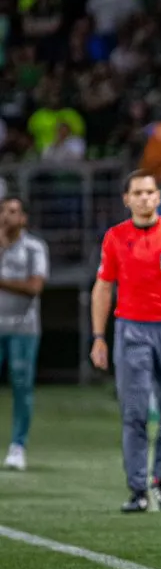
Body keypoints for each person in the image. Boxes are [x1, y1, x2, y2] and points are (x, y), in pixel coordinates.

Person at [90, 170, 161, 512]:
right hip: (131, 330)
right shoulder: (114, 237)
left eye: (149, 192)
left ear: (158, 197)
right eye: (137, 192)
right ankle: (138, 488)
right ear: (126, 199)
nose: (144, 197)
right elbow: (103, 287)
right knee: (135, 411)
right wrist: (99, 337)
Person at [0, 197, 49, 471]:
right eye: (4, 212)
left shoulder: (34, 248)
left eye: (14, 212)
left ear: (24, 218)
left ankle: (18, 446)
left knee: (22, 387)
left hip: (23, 328)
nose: (8, 217)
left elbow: (34, 287)